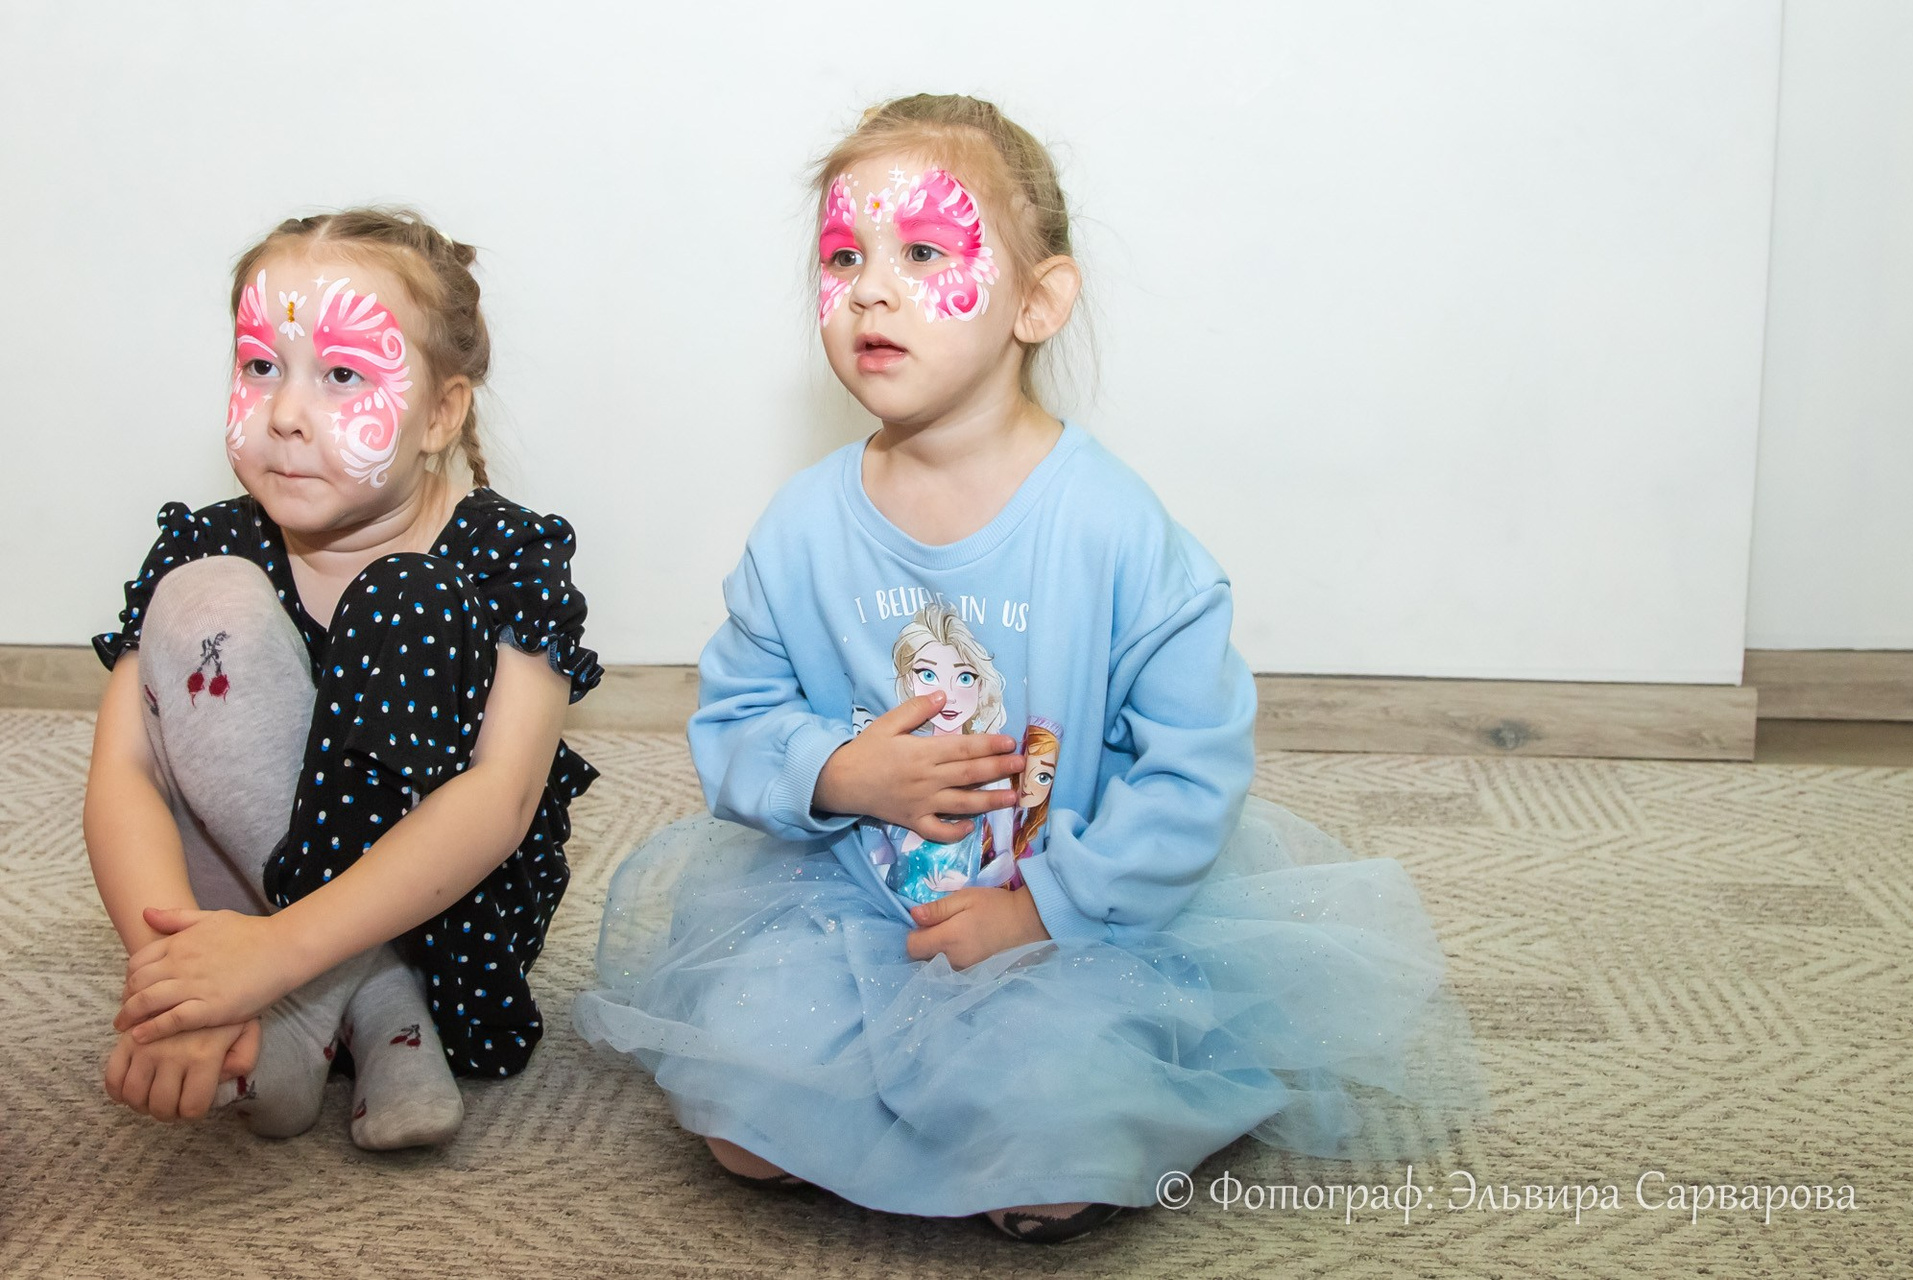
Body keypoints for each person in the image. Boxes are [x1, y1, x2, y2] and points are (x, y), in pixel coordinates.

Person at [575, 95, 1469, 1241]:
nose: (871, 289)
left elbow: (1193, 765)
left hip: (1073, 910)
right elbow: (738, 716)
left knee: (1054, 1127)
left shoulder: (1114, 531)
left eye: (924, 252)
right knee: (742, 1118)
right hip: (850, 897)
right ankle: (910, 1101)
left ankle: (1093, 1100)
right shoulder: (801, 529)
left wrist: (1040, 910)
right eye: (843, 256)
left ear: (1038, 302)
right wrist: (838, 773)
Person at [87, 208, 600, 1149]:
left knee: (407, 595)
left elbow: (502, 799)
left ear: (441, 412)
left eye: (341, 375)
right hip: (240, 924)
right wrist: (180, 989)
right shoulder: (209, 544)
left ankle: (356, 1001)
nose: (285, 412)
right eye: (260, 366)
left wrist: (277, 956)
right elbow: (126, 772)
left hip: (440, 931)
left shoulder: (506, 556)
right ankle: (364, 1008)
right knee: (201, 602)